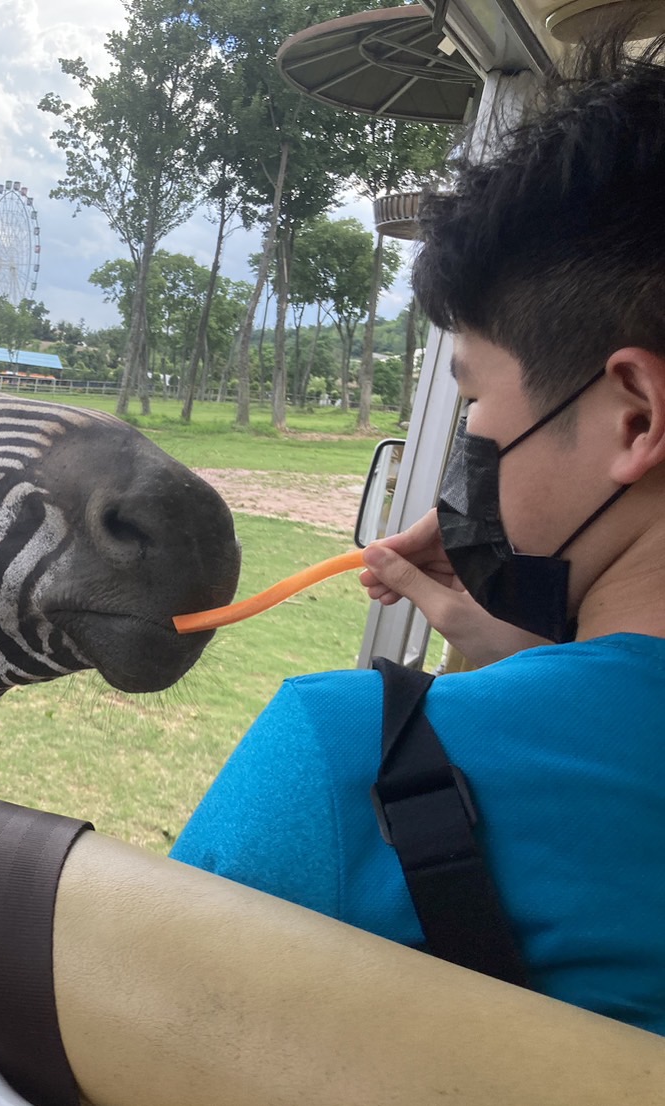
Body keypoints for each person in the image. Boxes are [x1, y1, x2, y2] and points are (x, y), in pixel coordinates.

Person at [171, 29, 665, 1034]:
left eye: (474, 398)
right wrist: (542, 660)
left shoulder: (353, 759)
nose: (466, 443)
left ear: (635, 418)